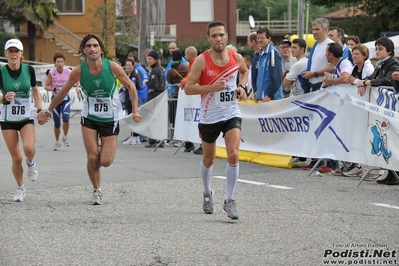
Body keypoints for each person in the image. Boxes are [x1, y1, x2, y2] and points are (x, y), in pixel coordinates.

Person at [38, 34, 142, 204]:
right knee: (92, 157)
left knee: (105, 161)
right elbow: (63, 92)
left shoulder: (113, 67)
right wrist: (48, 111)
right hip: (90, 117)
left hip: (110, 118)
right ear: (84, 50)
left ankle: (99, 158)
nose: (92, 49)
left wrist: (135, 110)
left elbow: (130, 86)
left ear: (100, 49)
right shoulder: (79, 70)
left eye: (95, 45)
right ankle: (96, 189)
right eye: (89, 46)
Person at [185, 21, 248, 220]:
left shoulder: (235, 57)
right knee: (209, 158)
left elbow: (244, 72)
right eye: (214, 36)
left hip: (231, 113)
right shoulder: (202, 60)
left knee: (234, 154)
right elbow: (188, 87)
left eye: (221, 35)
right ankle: (207, 193)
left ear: (226, 36)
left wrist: (242, 87)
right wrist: (210, 88)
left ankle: (229, 200)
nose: (218, 39)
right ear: (208, 38)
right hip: (209, 117)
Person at [0, 39, 42, 202]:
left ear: (21, 54)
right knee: (16, 158)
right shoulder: (1, 71)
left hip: (25, 117)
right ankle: (20, 187)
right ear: (5, 54)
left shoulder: (29, 70)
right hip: (8, 118)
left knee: (29, 148)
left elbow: (35, 90)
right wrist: (3, 98)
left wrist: (39, 110)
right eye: (10, 51)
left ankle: (31, 163)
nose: (13, 54)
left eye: (16, 51)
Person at [357, 37, 399, 186]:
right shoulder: (380, 64)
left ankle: (395, 173)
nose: (377, 51)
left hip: (391, 108)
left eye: (380, 48)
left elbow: (388, 81)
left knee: (392, 138)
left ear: (389, 51)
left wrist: (367, 82)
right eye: (376, 48)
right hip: (382, 109)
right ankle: (390, 172)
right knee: (386, 137)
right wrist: (361, 82)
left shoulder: (393, 64)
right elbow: (371, 77)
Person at [45, 52, 79, 150]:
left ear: (64, 63)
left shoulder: (68, 71)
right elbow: (46, 86)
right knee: (57, 123)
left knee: (66, 118)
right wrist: (53, 89)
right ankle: (57, 142)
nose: (60, 63)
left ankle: (65, 137)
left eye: (61, 61)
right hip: (55, 100)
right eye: (58, 62)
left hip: (65, 98)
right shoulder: (52, 73)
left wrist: (77, 88)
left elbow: (76, 79)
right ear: (54, 63)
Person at [167, 50, 193, 152]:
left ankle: (180, 139)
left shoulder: (171, 70)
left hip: (177, 95)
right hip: (187, 95)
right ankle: (187, 142)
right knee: (186, 118)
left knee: (176, 118)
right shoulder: (187, 67)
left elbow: (169, 80)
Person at [181, 46, 203, 155]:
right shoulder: (193, 62)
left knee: (202, 121)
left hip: (200, 95)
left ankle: (203, 145)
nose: (185, 56)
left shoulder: (196, 62)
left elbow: (191, 76)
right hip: (198, 94)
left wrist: (183, 82)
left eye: (185, 54)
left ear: (189, 54)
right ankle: (202, 144)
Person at [145, 50, 166, 148]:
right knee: (158, 119)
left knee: (152, 118)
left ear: (155, 60)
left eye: (150, 59)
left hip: (154, 96)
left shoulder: (155, 70)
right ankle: (160, 140)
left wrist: (146, 83)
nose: (148, 61)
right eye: (147, 59)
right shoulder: (161, 69)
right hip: (160, 96)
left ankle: (153, 141)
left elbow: (154, 85)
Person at [256, 27, 283, 102]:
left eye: (262, 38)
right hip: (264, 98)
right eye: (258, 38)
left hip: (272, 99)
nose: (259, 40)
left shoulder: (273, 53)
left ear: (269, 39)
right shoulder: (261, 53)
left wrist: (268, 95)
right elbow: (261, 76)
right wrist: (257, 91)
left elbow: (276, 78)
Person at [122, 58, 143, 145]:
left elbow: (132, 87)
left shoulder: (134, 75)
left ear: (133, 65)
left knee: (133, 117)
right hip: (128, 98)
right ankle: (134, 136)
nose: (128, 67)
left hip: (131, 99)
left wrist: (124, 87)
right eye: (127, 65)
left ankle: (135, 137)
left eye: (130, 65)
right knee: (131, 118)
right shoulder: (128, 74)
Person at [247, 31, 260, 98]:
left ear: (253, 42)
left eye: (248, 41)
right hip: (255, 92)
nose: (247, 43)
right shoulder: (255, 55)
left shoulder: (263, 55)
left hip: (261, 93)